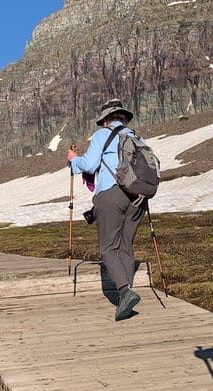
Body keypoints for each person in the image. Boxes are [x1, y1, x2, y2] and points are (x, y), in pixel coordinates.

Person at [67, 98, 146, 321]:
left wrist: (74, 160)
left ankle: (125, 292)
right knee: (125, 245)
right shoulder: (138, 138)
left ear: (105, 120)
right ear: (124, 119)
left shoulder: (102, 135)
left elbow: (90, 164)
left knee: (108, 248)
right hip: (138, 198)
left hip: (111, 194)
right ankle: (126, 295)